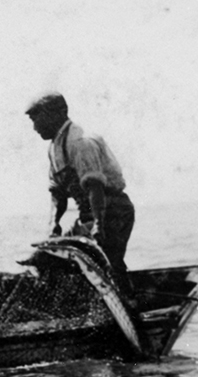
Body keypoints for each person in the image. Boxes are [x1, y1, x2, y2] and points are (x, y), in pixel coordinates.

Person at [26, 92, 135, 283]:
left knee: (108, 263)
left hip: (112, 210)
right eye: (32, 120)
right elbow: (57, 193)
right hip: (88, 215)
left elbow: (95, 187)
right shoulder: (54, 148)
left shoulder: (80, 142)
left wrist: (99, 225)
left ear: (60, 113)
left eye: (38, 118)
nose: (35, 127)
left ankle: (130, 306)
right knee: (47, 258)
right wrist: (54, 225)